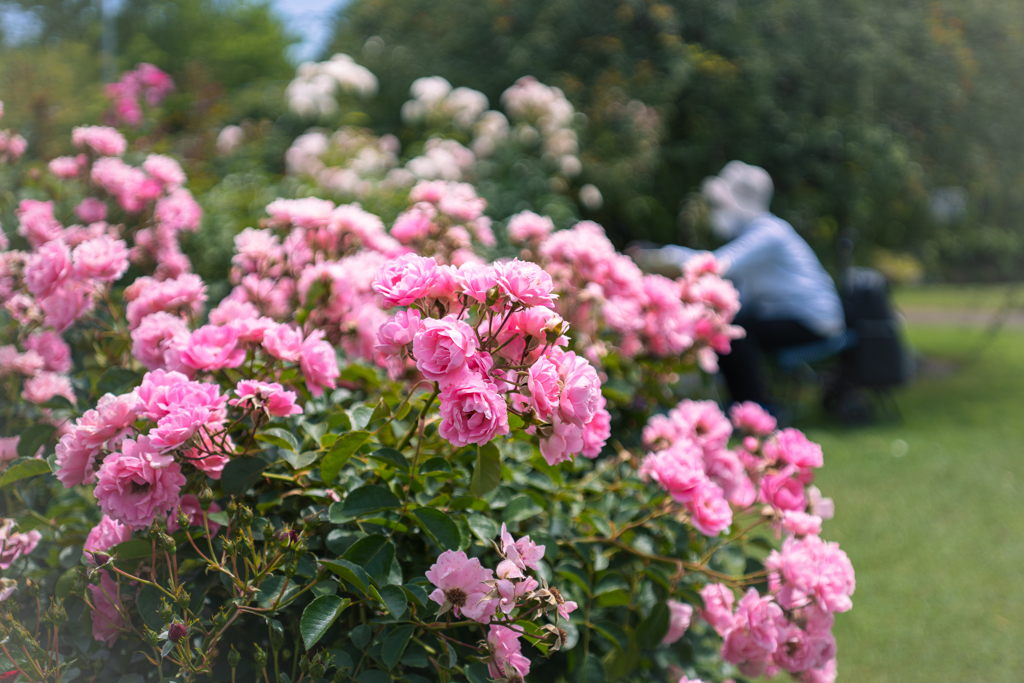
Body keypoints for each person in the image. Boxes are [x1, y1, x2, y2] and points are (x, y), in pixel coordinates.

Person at [631, 161, 845, 408]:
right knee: (735, 326)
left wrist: (659, 254)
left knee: (735, 334)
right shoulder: (760, 232)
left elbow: (716, 264)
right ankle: (748, 405)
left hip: (813, 322)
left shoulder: (768, 233)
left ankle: (753, 407)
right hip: (795, 317)